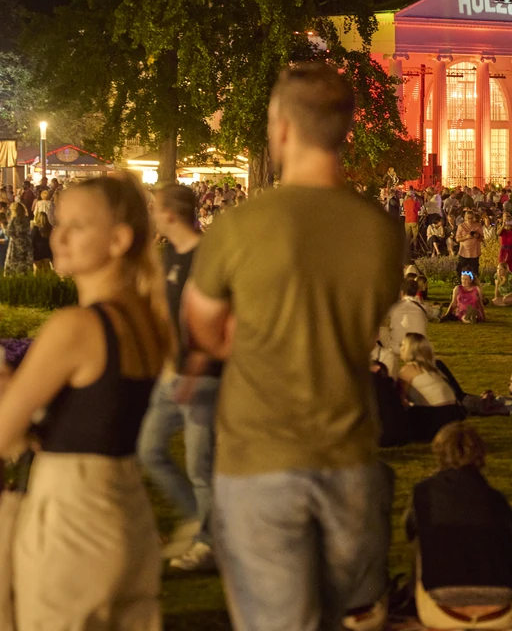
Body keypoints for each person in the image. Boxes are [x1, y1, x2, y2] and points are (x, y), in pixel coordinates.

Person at [185, 63, 403, 630]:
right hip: (350, 455)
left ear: (280, 127)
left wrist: (251, 334)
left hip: (260, 454)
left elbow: (203, 327)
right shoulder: (379, 231)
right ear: (346, 127)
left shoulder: (240, 225)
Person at [0, 175, 170, 628]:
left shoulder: (77, 327)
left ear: (118, 239)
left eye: (78, 225)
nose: (59, 235)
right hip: (126, 509)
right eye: (59, 221)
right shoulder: (145, 320)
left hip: (70, 518)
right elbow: (95, 415)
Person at [137, 183, 220, 573]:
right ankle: (201, 523)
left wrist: (194, 368)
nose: (151, 213)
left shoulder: (206, 259)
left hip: (202, 380)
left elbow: (217, 324)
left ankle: (209, 542)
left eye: (155, 207)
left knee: (200, 467)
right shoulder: (170, 254)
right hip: (172, 376)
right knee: (149, 449)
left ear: (170, 214)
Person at [407, 423, 512, 630]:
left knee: (421, 539)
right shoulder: (494, 498)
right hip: (500, 613)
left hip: (444, 612)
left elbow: (410, 531)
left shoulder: (423, 493)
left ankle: (412, 596)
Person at [398, 334, 464, 441]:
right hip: (454, 414)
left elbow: (398, 401)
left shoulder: (408, 370)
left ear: (408, 349)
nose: (400, 347)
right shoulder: (434, 368)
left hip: (435, 418)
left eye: (402, 345)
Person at [376, 276, 430, 375]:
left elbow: (381, 318)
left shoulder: (395, 307)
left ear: (401, 292)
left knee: (381, 328)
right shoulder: (423, 307)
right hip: (419, 347)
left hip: (397, 347)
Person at [3, 202, 32, 276]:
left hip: (15, 244)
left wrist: (3, 226)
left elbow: (8, 232)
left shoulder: (14, 220)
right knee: (25, 262)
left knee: (13, 263)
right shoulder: (26, 219)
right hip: (26, 242)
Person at [497, 216, 512, 296]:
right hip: (504, 250)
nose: (508, 225)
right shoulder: (503, 231)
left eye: (509, 223)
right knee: (502, 266)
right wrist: (502, 225)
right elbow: (498, 233)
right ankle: (502, 285)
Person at [455, 211, 484, 278]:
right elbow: (457, 239)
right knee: (461, 268)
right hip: (464, 252)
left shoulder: (478, 225)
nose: (470, 220)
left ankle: (474, 282)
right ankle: (461, 281)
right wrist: (466, 237)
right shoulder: (461, 226)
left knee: (474, 269)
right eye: (468, 218)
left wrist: (478, 236)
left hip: (474, 252)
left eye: (471, 218)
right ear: (465, 218)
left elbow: (482, 238)